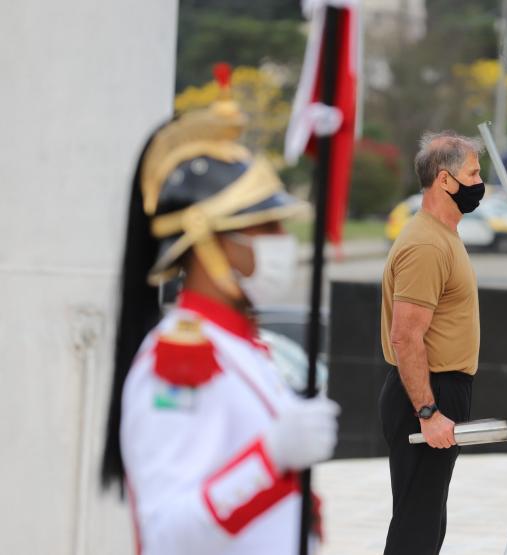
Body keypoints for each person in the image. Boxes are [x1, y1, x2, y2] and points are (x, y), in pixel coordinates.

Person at [100, 73, 338, 554]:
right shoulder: (177, 361)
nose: (279, 241)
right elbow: (167, 533)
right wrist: (270, 459)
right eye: (262, 227)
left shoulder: (241, 348)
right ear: (206, 242)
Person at [379, 131, 484, 554]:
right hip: (425, 395)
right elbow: (405, 336)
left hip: (440, 391)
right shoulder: (425, 244)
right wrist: (428, 411)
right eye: (474, 173)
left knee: (425, 518)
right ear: (445, 180)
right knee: (416, 526)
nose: (480, 182)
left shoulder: (443, 234)